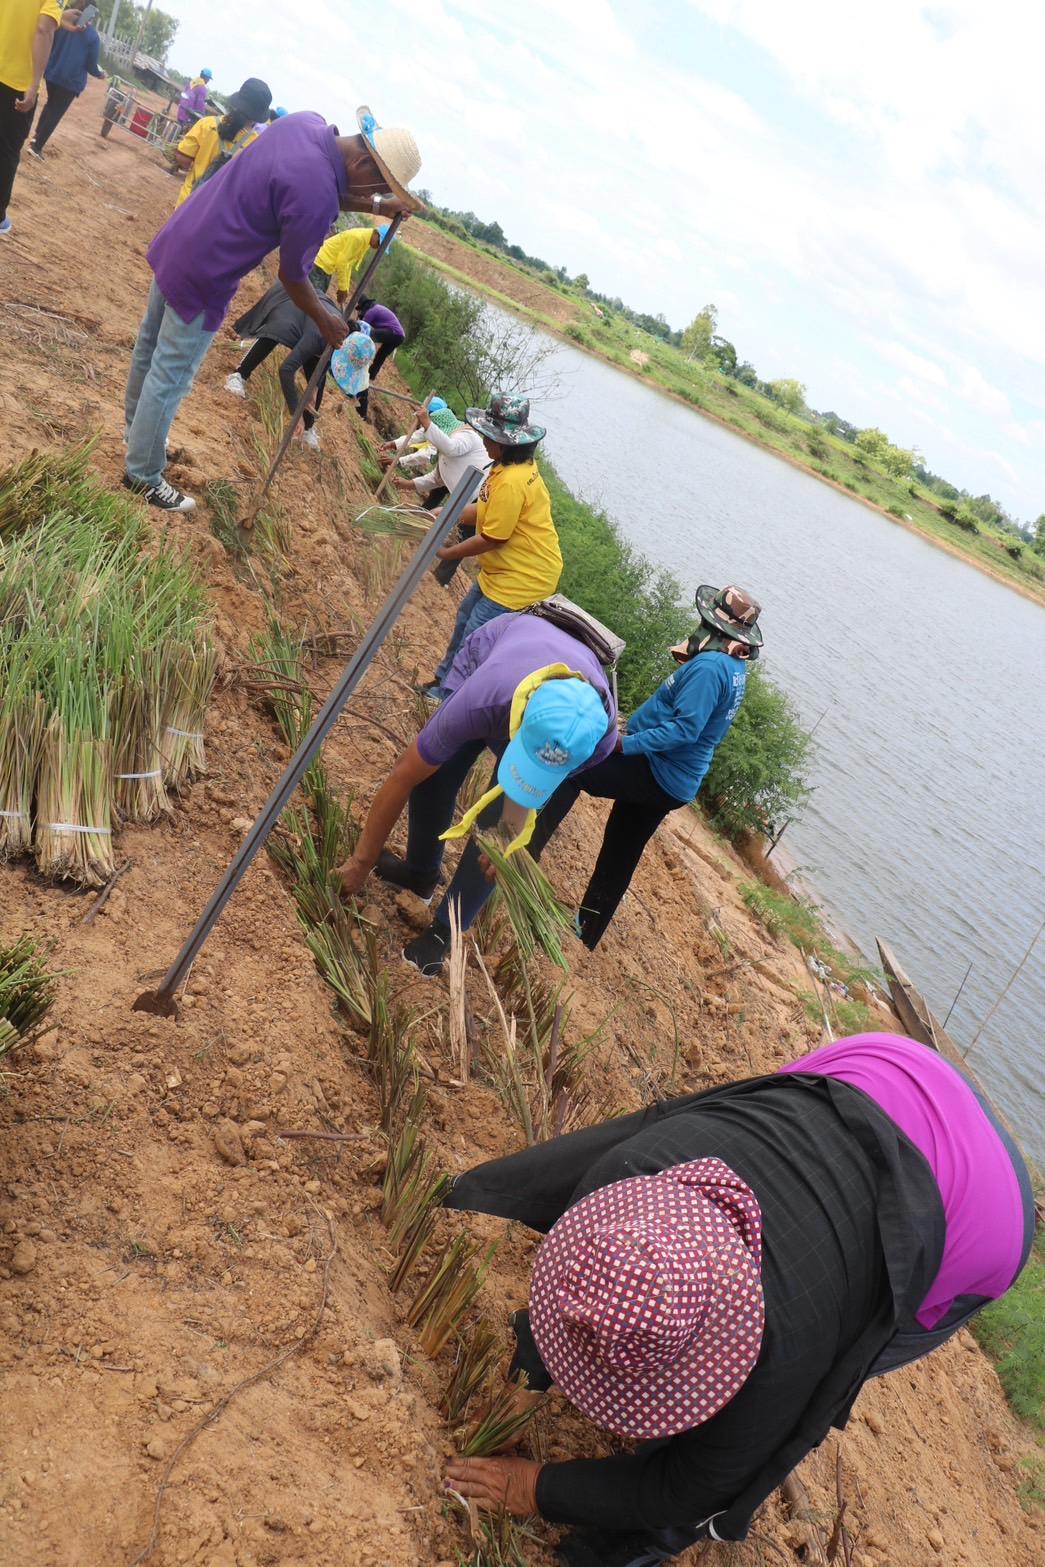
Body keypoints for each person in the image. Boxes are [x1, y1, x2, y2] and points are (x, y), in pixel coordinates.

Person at [443, 1032, 1035, 1567]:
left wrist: (533, 1488)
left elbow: (691, 1485)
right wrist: (532, 1368)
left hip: (983, 1215)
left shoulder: (783, 1356)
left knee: (819, 1385)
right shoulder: (624, 1178)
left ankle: (641, 1544)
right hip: (885, 1075)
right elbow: (595, 1284)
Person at [122, 103, 422, 512]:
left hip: (184, 235)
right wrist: (325, 320)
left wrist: (373, 208)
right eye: (377, 188)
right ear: (364, 161)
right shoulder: (316, 193)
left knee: (148, 348)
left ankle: (137, 437)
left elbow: (317, 188)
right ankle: (142, 472)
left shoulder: (307, 123)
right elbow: (293, 276)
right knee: (170, 374)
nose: (374, 195)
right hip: (208, 269)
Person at [336, 613, 618, 976]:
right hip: (497, 669)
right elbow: (402, 775)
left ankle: (446, 930)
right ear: (519, 721)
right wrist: (360, 863)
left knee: (498, 836)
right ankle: (420, 874)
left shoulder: (598, 740)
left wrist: (507, 835)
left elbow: (524, 794)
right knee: (435, 774)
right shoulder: (485, 696)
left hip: (542, 703)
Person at [528, 584, 761, 950]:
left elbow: (686, 729)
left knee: (574, 771)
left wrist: (624, 743)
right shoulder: (732, 664)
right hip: (674, 780)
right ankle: (586, 932)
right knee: (621, 849)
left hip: (657, 770)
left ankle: (523, 858)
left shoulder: (712, 667)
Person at [418, 394, 562, 700]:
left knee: (476, 636)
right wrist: (448, 511)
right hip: (503, 569)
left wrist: (444, 552)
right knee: (464, 618)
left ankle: (448, 699)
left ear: (506, 443)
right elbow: (485, 509)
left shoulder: (512, 480)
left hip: (523, 578)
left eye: (489, 436)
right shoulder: (503, 469)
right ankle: (442, 682)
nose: (484, 440)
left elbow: (492, 538)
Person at [225, 278, 344, 449]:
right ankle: (239, 375)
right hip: (290, 300)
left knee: (318, 376)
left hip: (315, 317)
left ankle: (308, 429)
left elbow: (320, 373)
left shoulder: (339, 342)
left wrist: (314, 388)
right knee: (277, 331)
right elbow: (286, 370)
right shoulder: (317, 338)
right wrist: (296, 414)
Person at [0, 0, 82, 236]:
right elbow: (43, 27)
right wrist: (34, 83)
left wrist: (60, 16)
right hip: (14, 79)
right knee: (6, 150)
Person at [172, 78, 271, 207]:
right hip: (218, 218)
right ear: (257, 116)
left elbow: (182, 158)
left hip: (187, 205)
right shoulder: (257, 145)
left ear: (236, 103)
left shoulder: (207, 124)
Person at [382, 398, 489, 512]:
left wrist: (400, 461)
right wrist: (408, 484)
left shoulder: (465, 435)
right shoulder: (447, 439)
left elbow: (449, 448)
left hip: (481, 497)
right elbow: (437, 478)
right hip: (467, 498)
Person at [27, 8, 106, 158]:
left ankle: (36, 137)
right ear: (91, 15)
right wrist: (100, 74)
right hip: (70, 81)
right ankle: (36, 147)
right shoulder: (92, 36)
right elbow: (91, 65)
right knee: (55, 112)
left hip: (52, 73)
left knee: (50, 105)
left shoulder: (61, 25)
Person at [311, 222, 389, 305]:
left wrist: (345, 289)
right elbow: (342, 262)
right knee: (312, 301)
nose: (378, 247)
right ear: (376, 234)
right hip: (319, 264)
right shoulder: (358, 238)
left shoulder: (365, 241)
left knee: (317, 300)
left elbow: (348, 264)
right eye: (379, 243)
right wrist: (342, 288)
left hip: (325, 267)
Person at [352, 295, 405, 418]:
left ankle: (360, 362)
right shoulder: (376, 309)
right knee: (381, 356)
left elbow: (362, 329)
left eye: (360, 310)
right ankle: (371, 376)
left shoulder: (371, 312)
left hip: (394, 333)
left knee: (370, 334)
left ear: (364, 307)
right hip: (399, 336)